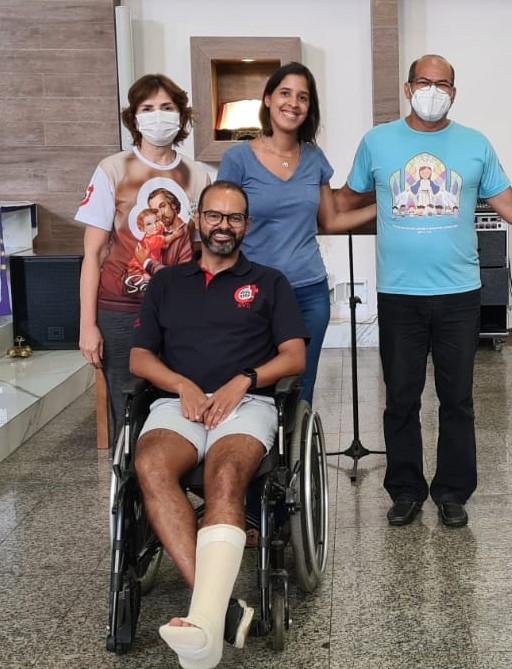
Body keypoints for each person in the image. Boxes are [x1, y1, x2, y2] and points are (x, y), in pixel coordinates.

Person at [333, 54, 512, 529]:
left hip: (459, 293)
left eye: (442, 84)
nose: (433, 91)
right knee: (401, 398)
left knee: (457, 398)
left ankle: (452, 491)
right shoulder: (377, 142)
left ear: (454, 92)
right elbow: (344, 200)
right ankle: (405, 490)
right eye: (424, 82)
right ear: (408, 88)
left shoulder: (475, 144)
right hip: (399, 294)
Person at [130, 181, 308, 668]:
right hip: (178, 403)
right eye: (214, 216)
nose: (223, 226)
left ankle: (205, 620)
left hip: (246, 403)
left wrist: (243, 380)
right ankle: (217, 611)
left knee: (225, 476)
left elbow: (294, 356)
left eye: (234, 218)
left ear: (246, 225)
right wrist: (182, 385)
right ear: (197, 220)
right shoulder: (167, 282)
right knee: (150, 466)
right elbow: (140, 358)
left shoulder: (270, 282)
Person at [77, 73, 213, 443]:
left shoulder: (197, 175)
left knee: (180, 400)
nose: (158, 115)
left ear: (181, 115)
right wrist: (87, 325)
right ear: (134, 118)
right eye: (148, 108)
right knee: (127, 404)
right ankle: (128, 476)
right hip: (120, 309)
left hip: (180, 310)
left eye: (167, 107)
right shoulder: (113, 169)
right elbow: (93, 253)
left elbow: (203, 252)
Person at [218, 62, 357, 406]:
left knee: (300, 389)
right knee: (253, 386)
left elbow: (330, 221)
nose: (293, 103)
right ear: (268, 99)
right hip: (253, 292)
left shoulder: (314, 157)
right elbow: (222, 228)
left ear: (310, 107)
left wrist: (384, 207)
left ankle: (295, 443)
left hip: (309, 293)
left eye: (303, 97)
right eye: (285, 93)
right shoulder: (237, 159)